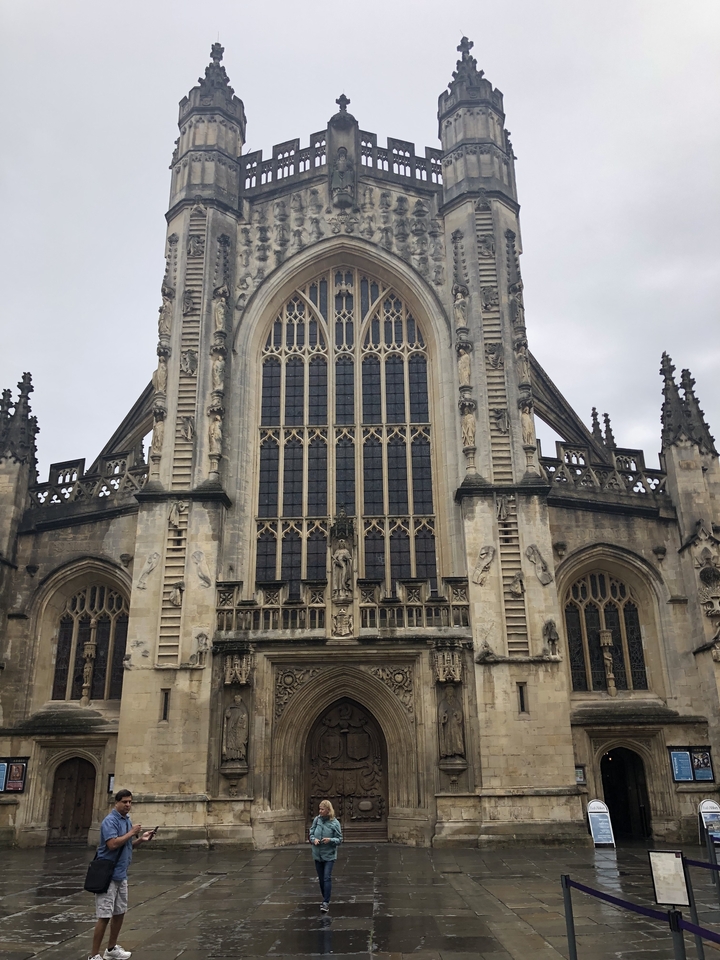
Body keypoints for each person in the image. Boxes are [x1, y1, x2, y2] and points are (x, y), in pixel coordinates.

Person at [88, 789, 155, 960]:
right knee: (104, 915)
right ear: (116, 803)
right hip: (108, 875)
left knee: (119, 912)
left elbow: (126, 845)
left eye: (130, 802)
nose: (128, 805)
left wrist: (140, 839)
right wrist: (132, 832)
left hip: (120, 874)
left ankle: (111, 949)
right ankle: (94, 955)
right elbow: (112, 845)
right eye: (124, 802)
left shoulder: (126, 820)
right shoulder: (110, 821)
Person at [309, 799, 343, 912]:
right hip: (317, 854)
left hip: (329, 854)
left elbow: (339, 839)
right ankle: (325, 897)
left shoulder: (335, 823)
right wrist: (313, 840)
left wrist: (330, 840)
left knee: (327, 877)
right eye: (319, 809)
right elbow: (311, 833)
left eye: (322, 809)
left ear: (328, 810)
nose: (320, 811)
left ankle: (326, 902)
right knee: (321, 879)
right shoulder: (316, 820)